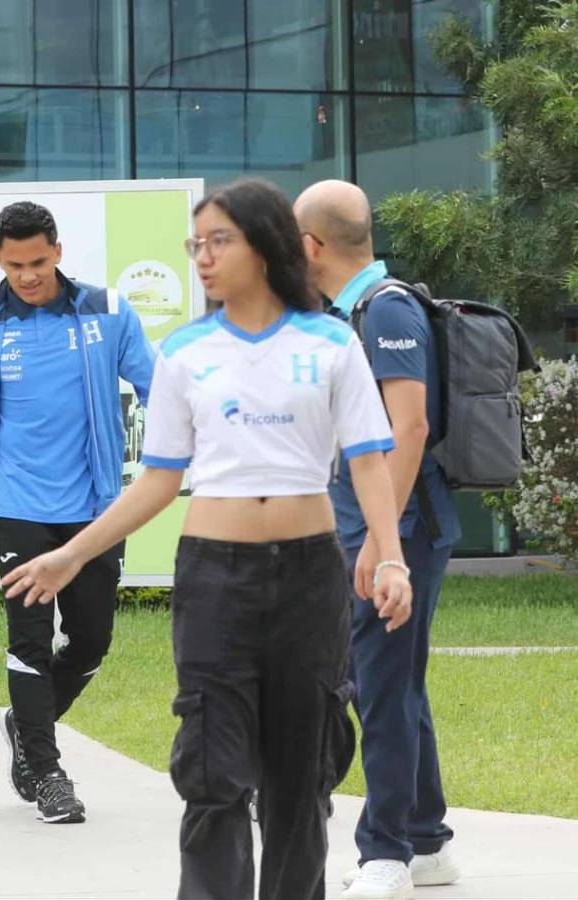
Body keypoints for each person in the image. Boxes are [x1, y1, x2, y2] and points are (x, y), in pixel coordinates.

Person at [3, 178, 413, 900]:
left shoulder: (331, 341)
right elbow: (159, 480)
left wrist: (391, 557)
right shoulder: (187, 352)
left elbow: (369, 459)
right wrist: (72, 554)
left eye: (219, 241)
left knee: (301, 776)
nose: (203, 257)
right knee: (213, 772)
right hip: (214, 579)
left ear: (266, 245)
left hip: (309, 577)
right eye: (197, 244)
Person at [0, 200, 156, 824]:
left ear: (58, 251)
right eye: (14, 265)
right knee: (29, 640)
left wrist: (182, 445)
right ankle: (48, 775)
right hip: (17, 501)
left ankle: (23, 726)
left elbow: (157, 385)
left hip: (96, 505)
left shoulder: (106, 310)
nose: (27, 275)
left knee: (93, 640)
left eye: (38, 262)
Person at [296, 180, 463, 899]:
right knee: (393, 684)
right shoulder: (350, 313)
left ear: (311, 246)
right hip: (381, 529)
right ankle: (426, 842)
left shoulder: (386, 310)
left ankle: (385, 854)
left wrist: (380, 541)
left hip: (399, 533)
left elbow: (410, 427)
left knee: (382, 690)